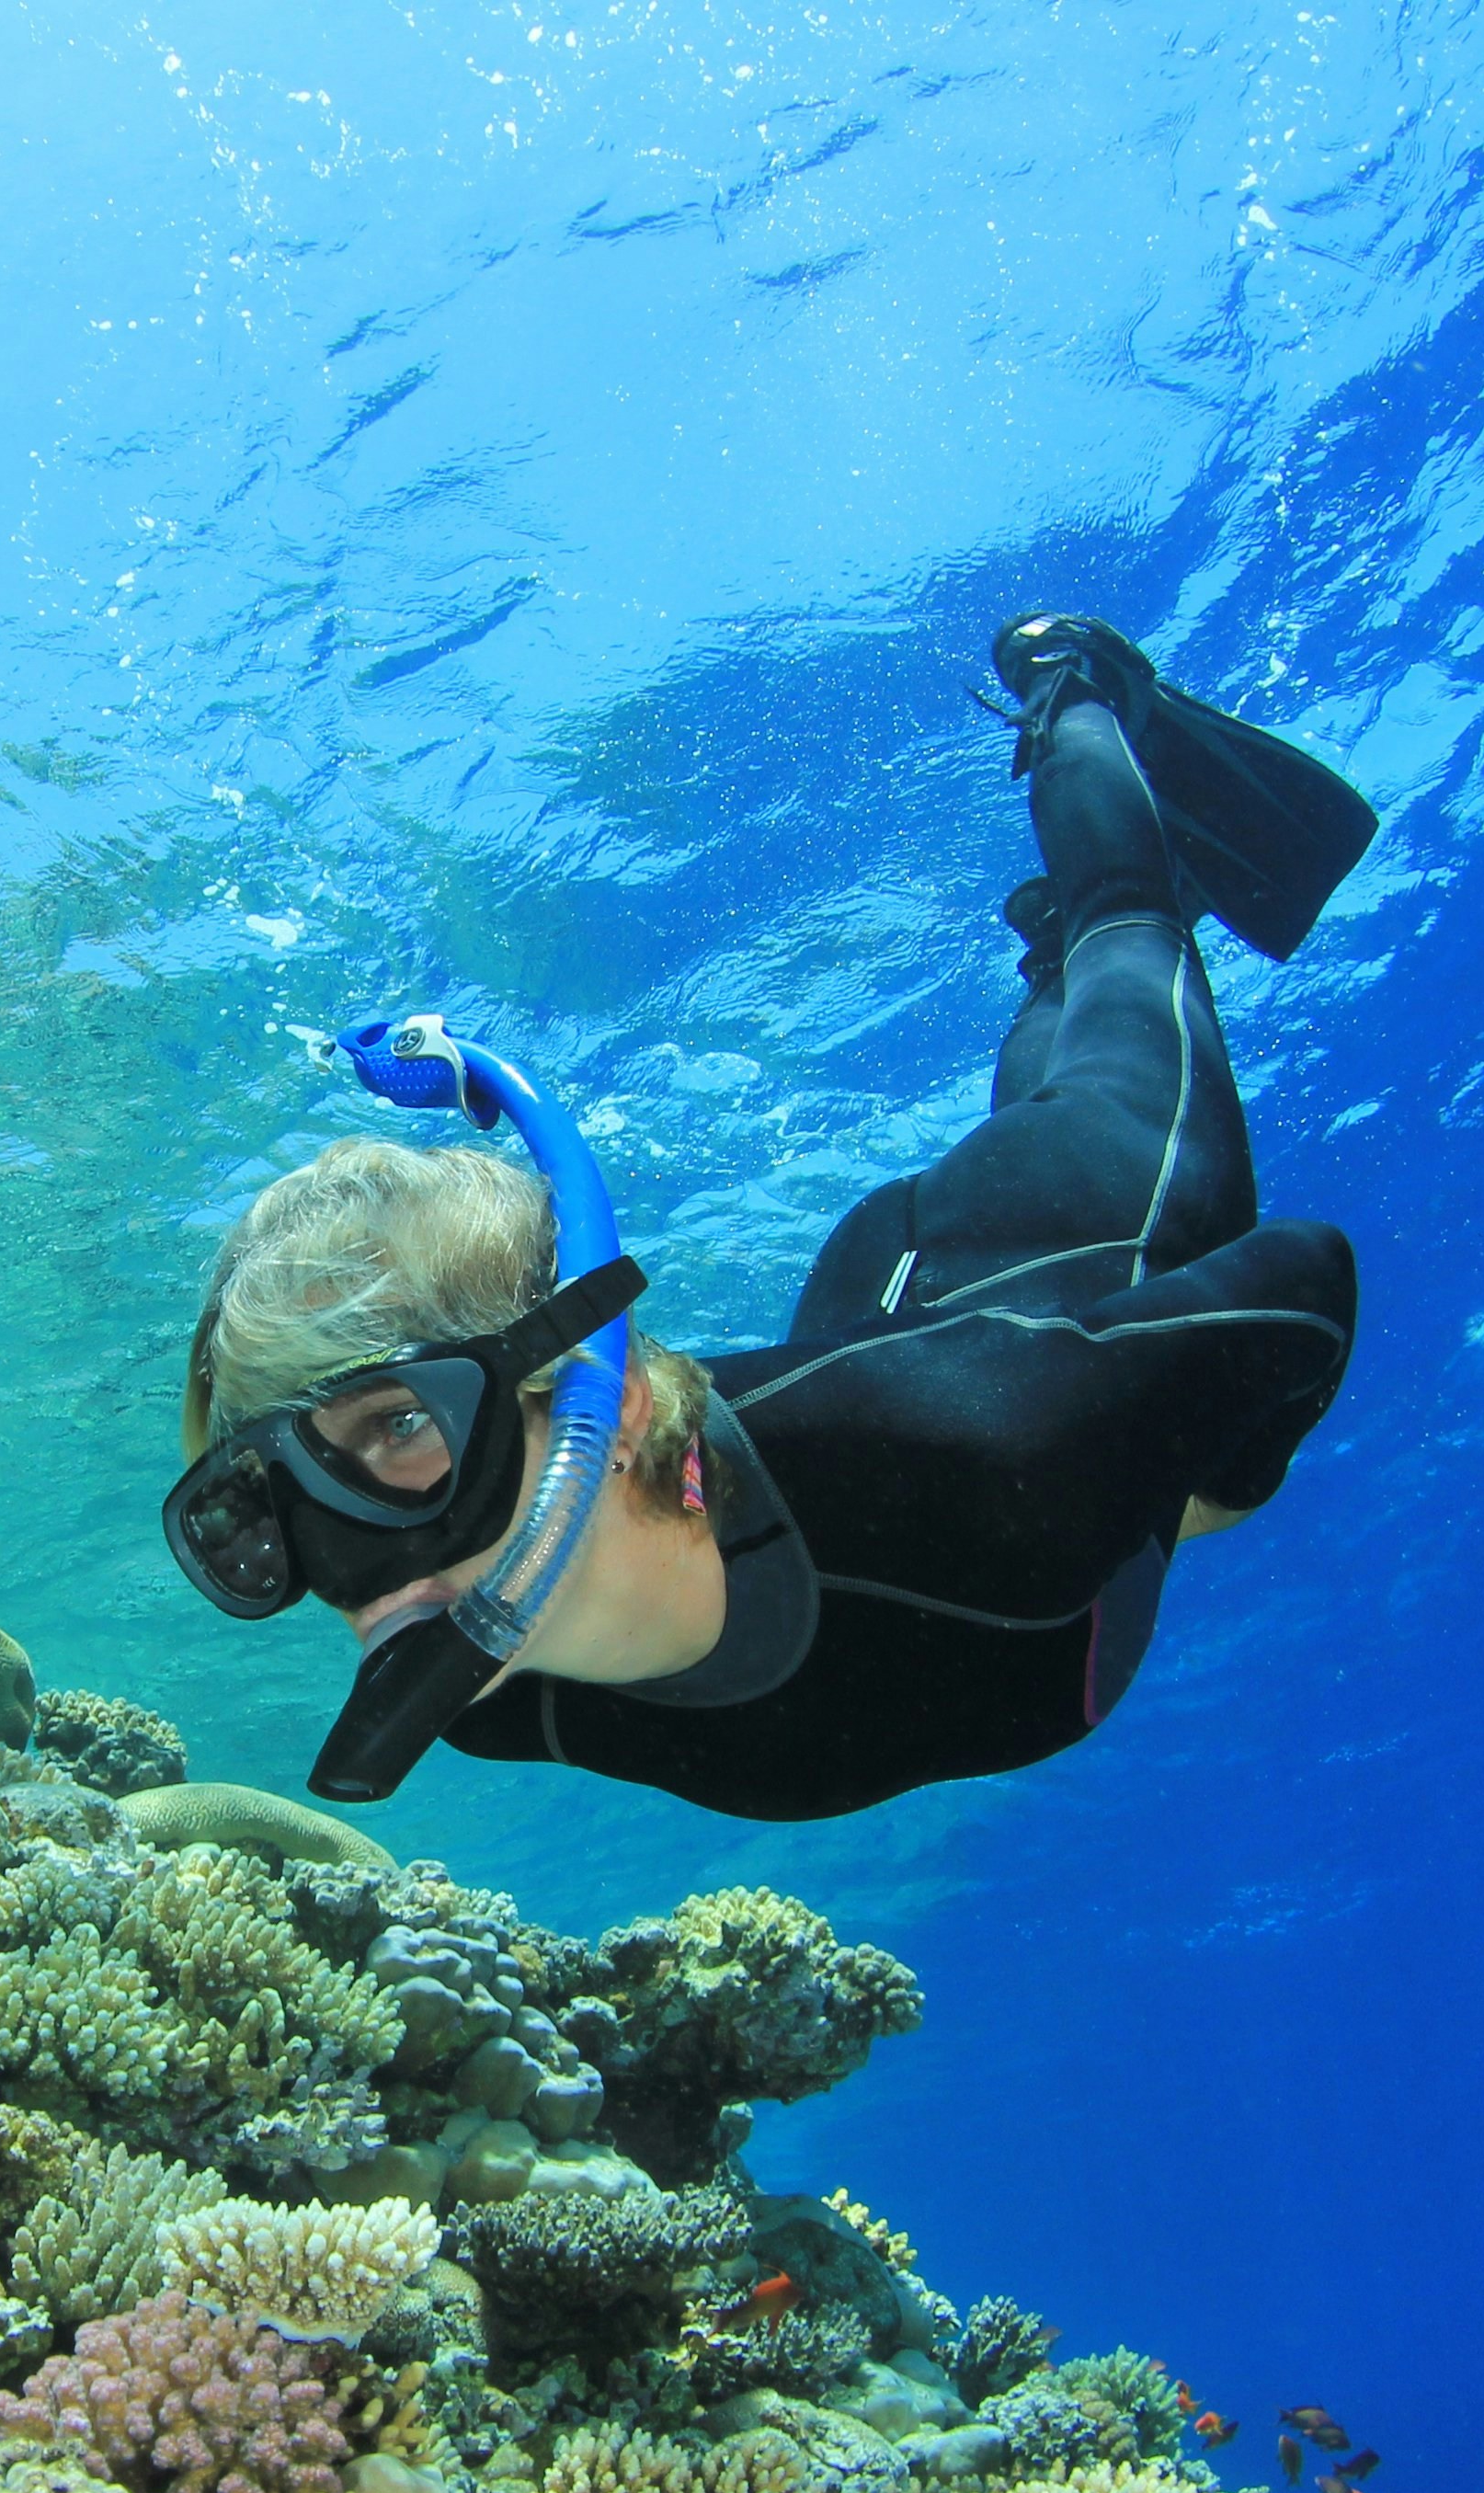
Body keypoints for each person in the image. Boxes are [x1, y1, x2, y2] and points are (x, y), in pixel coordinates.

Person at [162, 614, 1372, 1815]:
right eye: (265, 1500)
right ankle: (1046, 953)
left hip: (1068, 1223)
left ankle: (1075, 692)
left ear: (609, 1404)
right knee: (1069, 983)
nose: (340, 1563)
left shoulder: (1012, 1462)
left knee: (1130, 942)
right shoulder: (496, 1701)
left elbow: (1305, 1279)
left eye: (398, 1425)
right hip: (877, 1292)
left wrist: (1192, 1493)